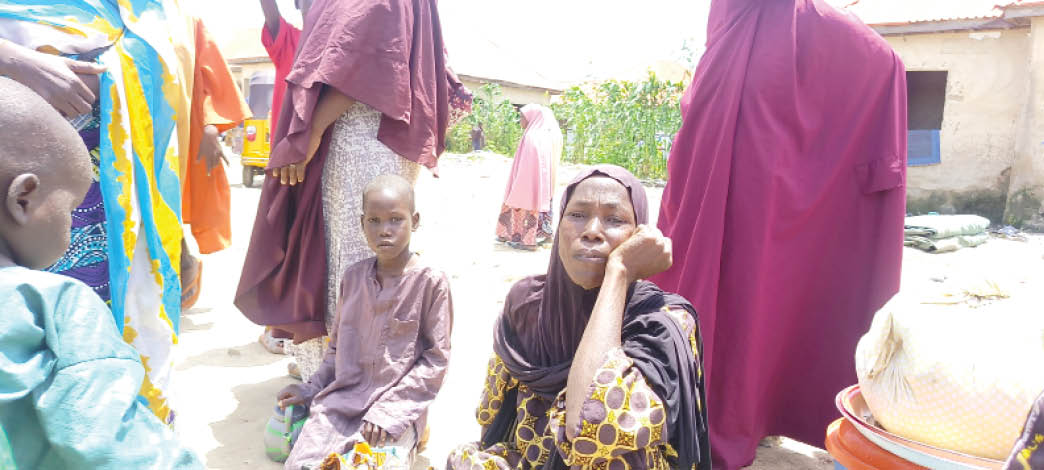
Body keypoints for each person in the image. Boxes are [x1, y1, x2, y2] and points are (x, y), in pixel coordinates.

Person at [650, 1, 907, 468]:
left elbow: (884, 63)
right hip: (714, 193)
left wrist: (875, 150)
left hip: (763, 199)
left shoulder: (801, 23)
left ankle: (736, 419)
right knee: (720, 302)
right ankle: (714, 415)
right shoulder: (735, 25)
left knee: (752, 302)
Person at [235, 0, 471, 383]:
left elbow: (372, 62)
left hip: (363, 137)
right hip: (372, 140)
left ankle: (364, 383)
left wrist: (309, 133)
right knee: (357, 263)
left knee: (361, 263)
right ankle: (349, 375)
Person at [0, 0, 194, 425]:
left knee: (102, 357)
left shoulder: (132, 9)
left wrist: (173, 231)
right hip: (22, 197)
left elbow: (159, 145)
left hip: (119, 219)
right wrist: (10, 58)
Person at [447, 165, 711, 470]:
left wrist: (619, 273)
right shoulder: (527, 303)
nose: (592, 231)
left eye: (615, 219)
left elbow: (588, 425)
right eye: (576, 215)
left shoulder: (661, 322)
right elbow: (492, 418)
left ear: (639, 235)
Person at [276, 175, 452, 470]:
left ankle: (416, 434)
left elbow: (435, 360)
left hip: (395, 411)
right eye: (374, 220)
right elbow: (335, 350)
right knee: (302, 464)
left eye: (396, 219)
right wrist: (311, 388)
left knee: (374, 465)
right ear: (362, 223)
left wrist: (390, 412)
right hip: (341, 402)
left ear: (415, 220)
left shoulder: (431, 283)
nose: (385, 230)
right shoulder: (353, 278)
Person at [175, 15, 253, 309]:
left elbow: (212, 74)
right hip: (129, 127)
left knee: (171, 206)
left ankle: (183, 267)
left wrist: (211, 127)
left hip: (179, 130)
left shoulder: (184, 21)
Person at [496, 104, 563, 251]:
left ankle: (526, 241)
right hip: (542, 184)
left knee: (522, 207)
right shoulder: (545, 135)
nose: (520, 121)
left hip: (526, 183)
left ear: (533, 118)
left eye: (522, 117)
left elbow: (527, 166)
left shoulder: (532, 137)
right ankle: (541, 235)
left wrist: (518, 184)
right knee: (536, 207)